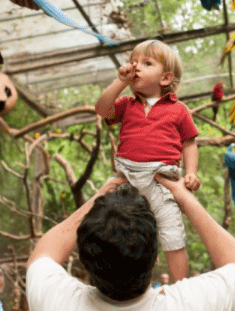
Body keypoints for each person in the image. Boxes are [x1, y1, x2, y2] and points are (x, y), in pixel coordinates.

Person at [26, 176, 235, 310]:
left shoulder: (59, 302)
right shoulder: (188, 304)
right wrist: (185, 199)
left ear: (85, 262)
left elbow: (43, 255)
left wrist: (101, 195)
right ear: (156, 256)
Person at [95, 39, 200, 281]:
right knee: (124, 235)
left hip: (162, 182)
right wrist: (119, 82)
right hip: (128, 181)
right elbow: (101, 109)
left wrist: (191, 172)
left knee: (173, 238)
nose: (136, 67)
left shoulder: (179, 109)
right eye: (133, 62)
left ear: (165, 78)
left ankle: (181, 287)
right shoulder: (126, 105)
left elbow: (189, 143)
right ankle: (128, 284)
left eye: (146, 63)